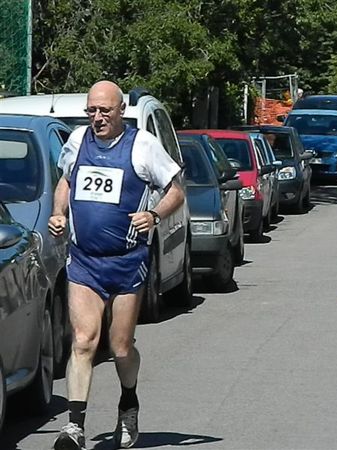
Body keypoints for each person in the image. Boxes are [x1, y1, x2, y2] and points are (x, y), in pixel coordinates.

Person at [49, 81, 185, 450]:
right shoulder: (77, 141)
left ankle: (129, 402)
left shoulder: (142, 146)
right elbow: (65, 180)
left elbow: (176, 189)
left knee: (120, 347)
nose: (97, 118)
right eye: (91, 110)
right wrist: (59, 212)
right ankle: (74, 427)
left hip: (127, 262)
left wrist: (154, 215)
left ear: (121, 110)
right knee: (83, 340)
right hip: (83, 260)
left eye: (104, 111)